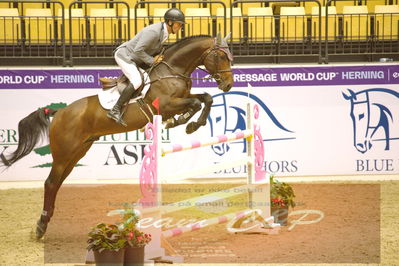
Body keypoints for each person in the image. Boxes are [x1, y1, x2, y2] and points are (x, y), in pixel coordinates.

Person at [107, 8, 186, 126]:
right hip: (125, 56)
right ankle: (115, 110)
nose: (180, 27)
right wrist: (152, 60)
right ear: (170, 22)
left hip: (135, 57)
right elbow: (137, 51)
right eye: (179, 24)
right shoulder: (154, 32)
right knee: (137, 81)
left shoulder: (163, 32)